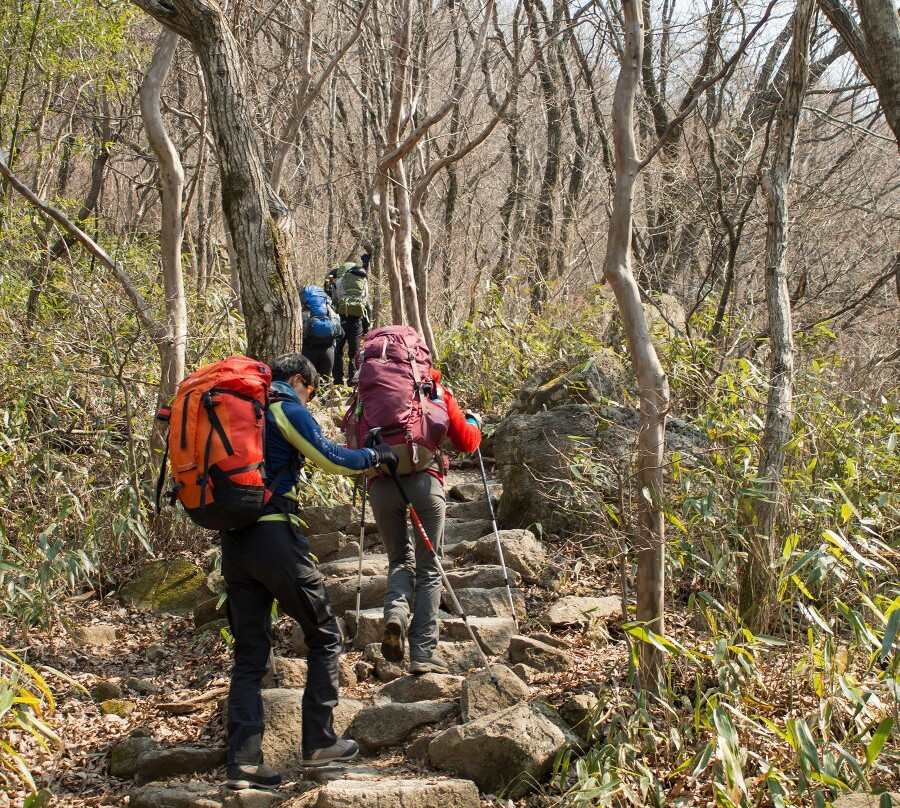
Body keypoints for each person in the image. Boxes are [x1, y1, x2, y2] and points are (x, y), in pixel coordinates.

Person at [221, 354, 398, 790]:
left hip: (233, 541)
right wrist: (374, 453)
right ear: (300, 380)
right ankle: (319, 743)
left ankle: (243, 764)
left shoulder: (239, 412)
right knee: (323, 634)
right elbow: (332, 458)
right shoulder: (285, 406)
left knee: (248, 656)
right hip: (274, 536)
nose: (309, 396)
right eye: (312, 390)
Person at [367, 368, 482, 674]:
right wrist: (473, 422)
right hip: (423, 482)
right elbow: (467, 442)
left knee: (399, 560)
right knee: (429, 566)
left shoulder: (368, 392)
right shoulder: (434, 391)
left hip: (381, 483)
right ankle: (422, 652)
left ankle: (395, 614)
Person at [328, 254, 371, 386]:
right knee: (355, 351)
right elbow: (367, 305)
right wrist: (366, 327)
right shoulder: (362, 282)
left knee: (338, 351)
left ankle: (338, 381)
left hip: (341, 319)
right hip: (357, 320)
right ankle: (353, 380)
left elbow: (334, 301)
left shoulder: (339, 282)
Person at [300, 285, 343, 379]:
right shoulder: (328, 309)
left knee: (307, 382)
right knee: (324, 384)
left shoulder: (303, 310)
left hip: (308, 349)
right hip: (327, 350)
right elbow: (341, 333)